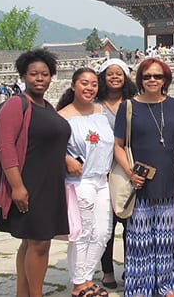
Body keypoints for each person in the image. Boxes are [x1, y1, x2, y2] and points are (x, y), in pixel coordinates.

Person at [0, 49, 71, 297]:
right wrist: (17, 186)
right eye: (34, 74)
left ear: (51, 78)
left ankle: (23, 294)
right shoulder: (16, 104)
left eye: (45, 74)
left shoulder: (47, 106)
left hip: (50, 184)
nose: (40, 78)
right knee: (38, 243)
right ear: (24, 76)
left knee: (30, 242)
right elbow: (5, 146)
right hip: (29, 183)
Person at [113, 58, 174, 297]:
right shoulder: (129, 106)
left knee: (165, 236)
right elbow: (118, 145)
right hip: (139, 181)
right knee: (138, 238)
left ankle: (166, 285)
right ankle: (139, 286)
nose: (152, 80)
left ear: (166, 80)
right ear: (140, 80)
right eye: (147, 76)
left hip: (167, 179)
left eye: (158, 76)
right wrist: (131, 173)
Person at [56, 67, 115, 297]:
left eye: (93, 84)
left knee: (103, 232)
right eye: (84, 83)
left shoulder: (101, 111)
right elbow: (48, 147)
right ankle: (78, 284)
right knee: (83, 233)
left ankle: (87, 278)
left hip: (103, 179)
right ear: (73, 86)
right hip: (80, 182)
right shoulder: (62, 117)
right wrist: (66, 158)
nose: (89, 88)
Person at [95, 58, 137, 290]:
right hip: (101, 169)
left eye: (119, 73)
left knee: (130, 221)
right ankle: (107, 270)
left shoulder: (133, 102)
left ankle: (131, 266)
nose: (114, 77)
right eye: (109, 73)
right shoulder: (93, 103)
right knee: (106, 224)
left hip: (126, 168)